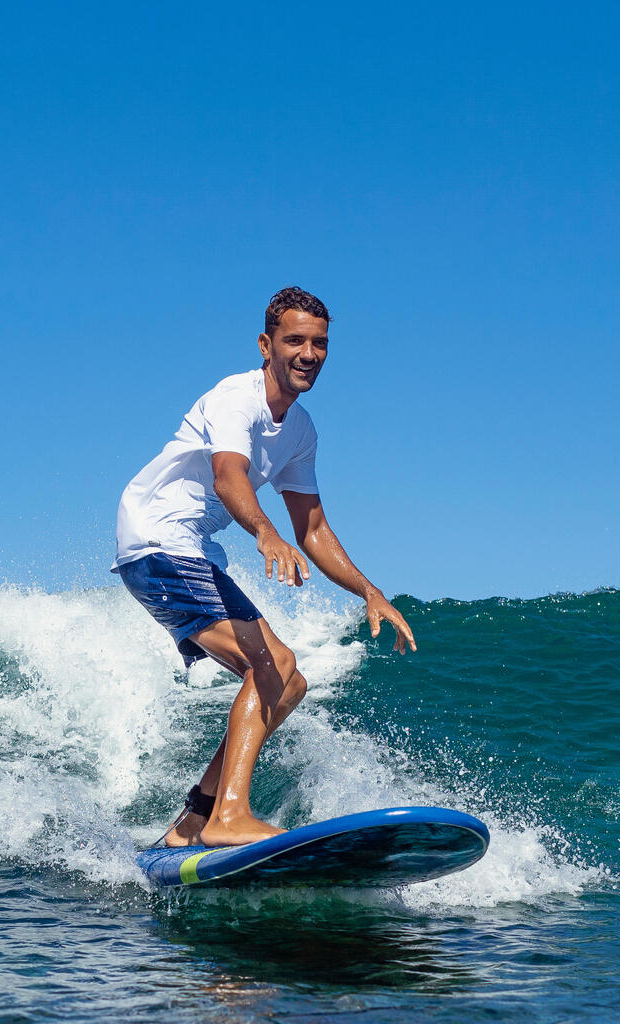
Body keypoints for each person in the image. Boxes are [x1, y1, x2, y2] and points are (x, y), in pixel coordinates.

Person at [112, 286, 416, 847]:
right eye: (295, 340)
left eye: (320, 343)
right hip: (157, 539)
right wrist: (265, 533)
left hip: (189, 549)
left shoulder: (301, 431)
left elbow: (315, 530)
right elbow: (229, 474)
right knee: (270, 664)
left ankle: (196, 820)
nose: (309, 353)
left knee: (289, 681)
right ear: (266, 344)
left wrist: (369, 592)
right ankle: (229, 816)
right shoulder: (237, 397)